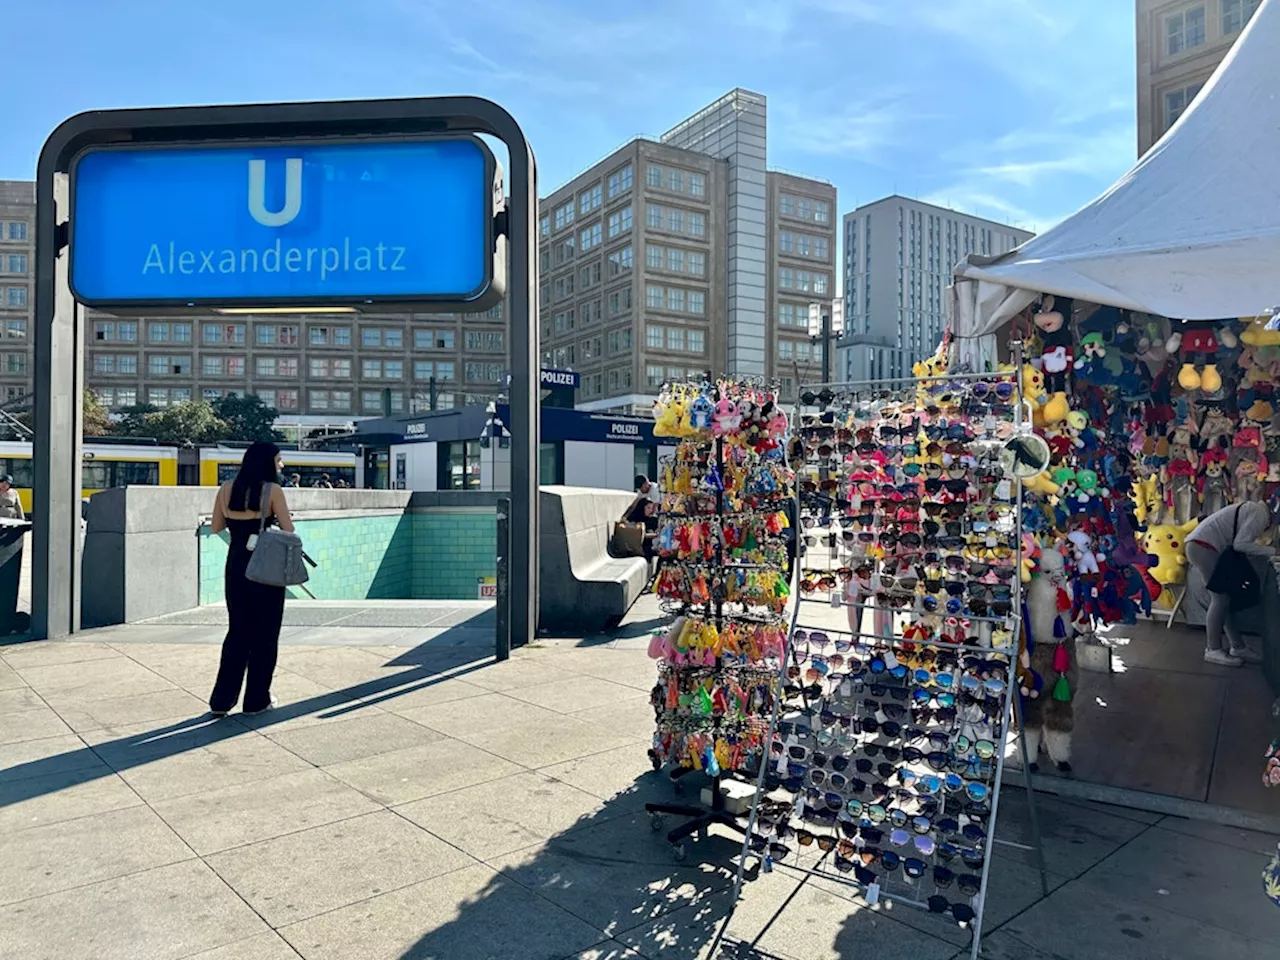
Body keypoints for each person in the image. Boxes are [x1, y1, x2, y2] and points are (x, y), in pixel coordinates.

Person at [208, 441, 294, 716]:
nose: (281, 465)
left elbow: (217, 526)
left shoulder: (225, 489)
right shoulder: (273, 491)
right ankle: (256, 700)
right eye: (278, 460)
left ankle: (222, 701)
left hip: (235, 565)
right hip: (265, 567)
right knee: (266, 634)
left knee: (238, 632)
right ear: (267, 462)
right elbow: (289, 530)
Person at [1186, 500, 1273, 666]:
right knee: (1220, 599)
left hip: (1201, 545)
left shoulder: (1255, 509)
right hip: (1203, 547)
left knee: (1225, 598)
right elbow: (1241, 544)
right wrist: (1273, 551)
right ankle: (1213, 649)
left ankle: (1237, 646)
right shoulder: (1260, 514)